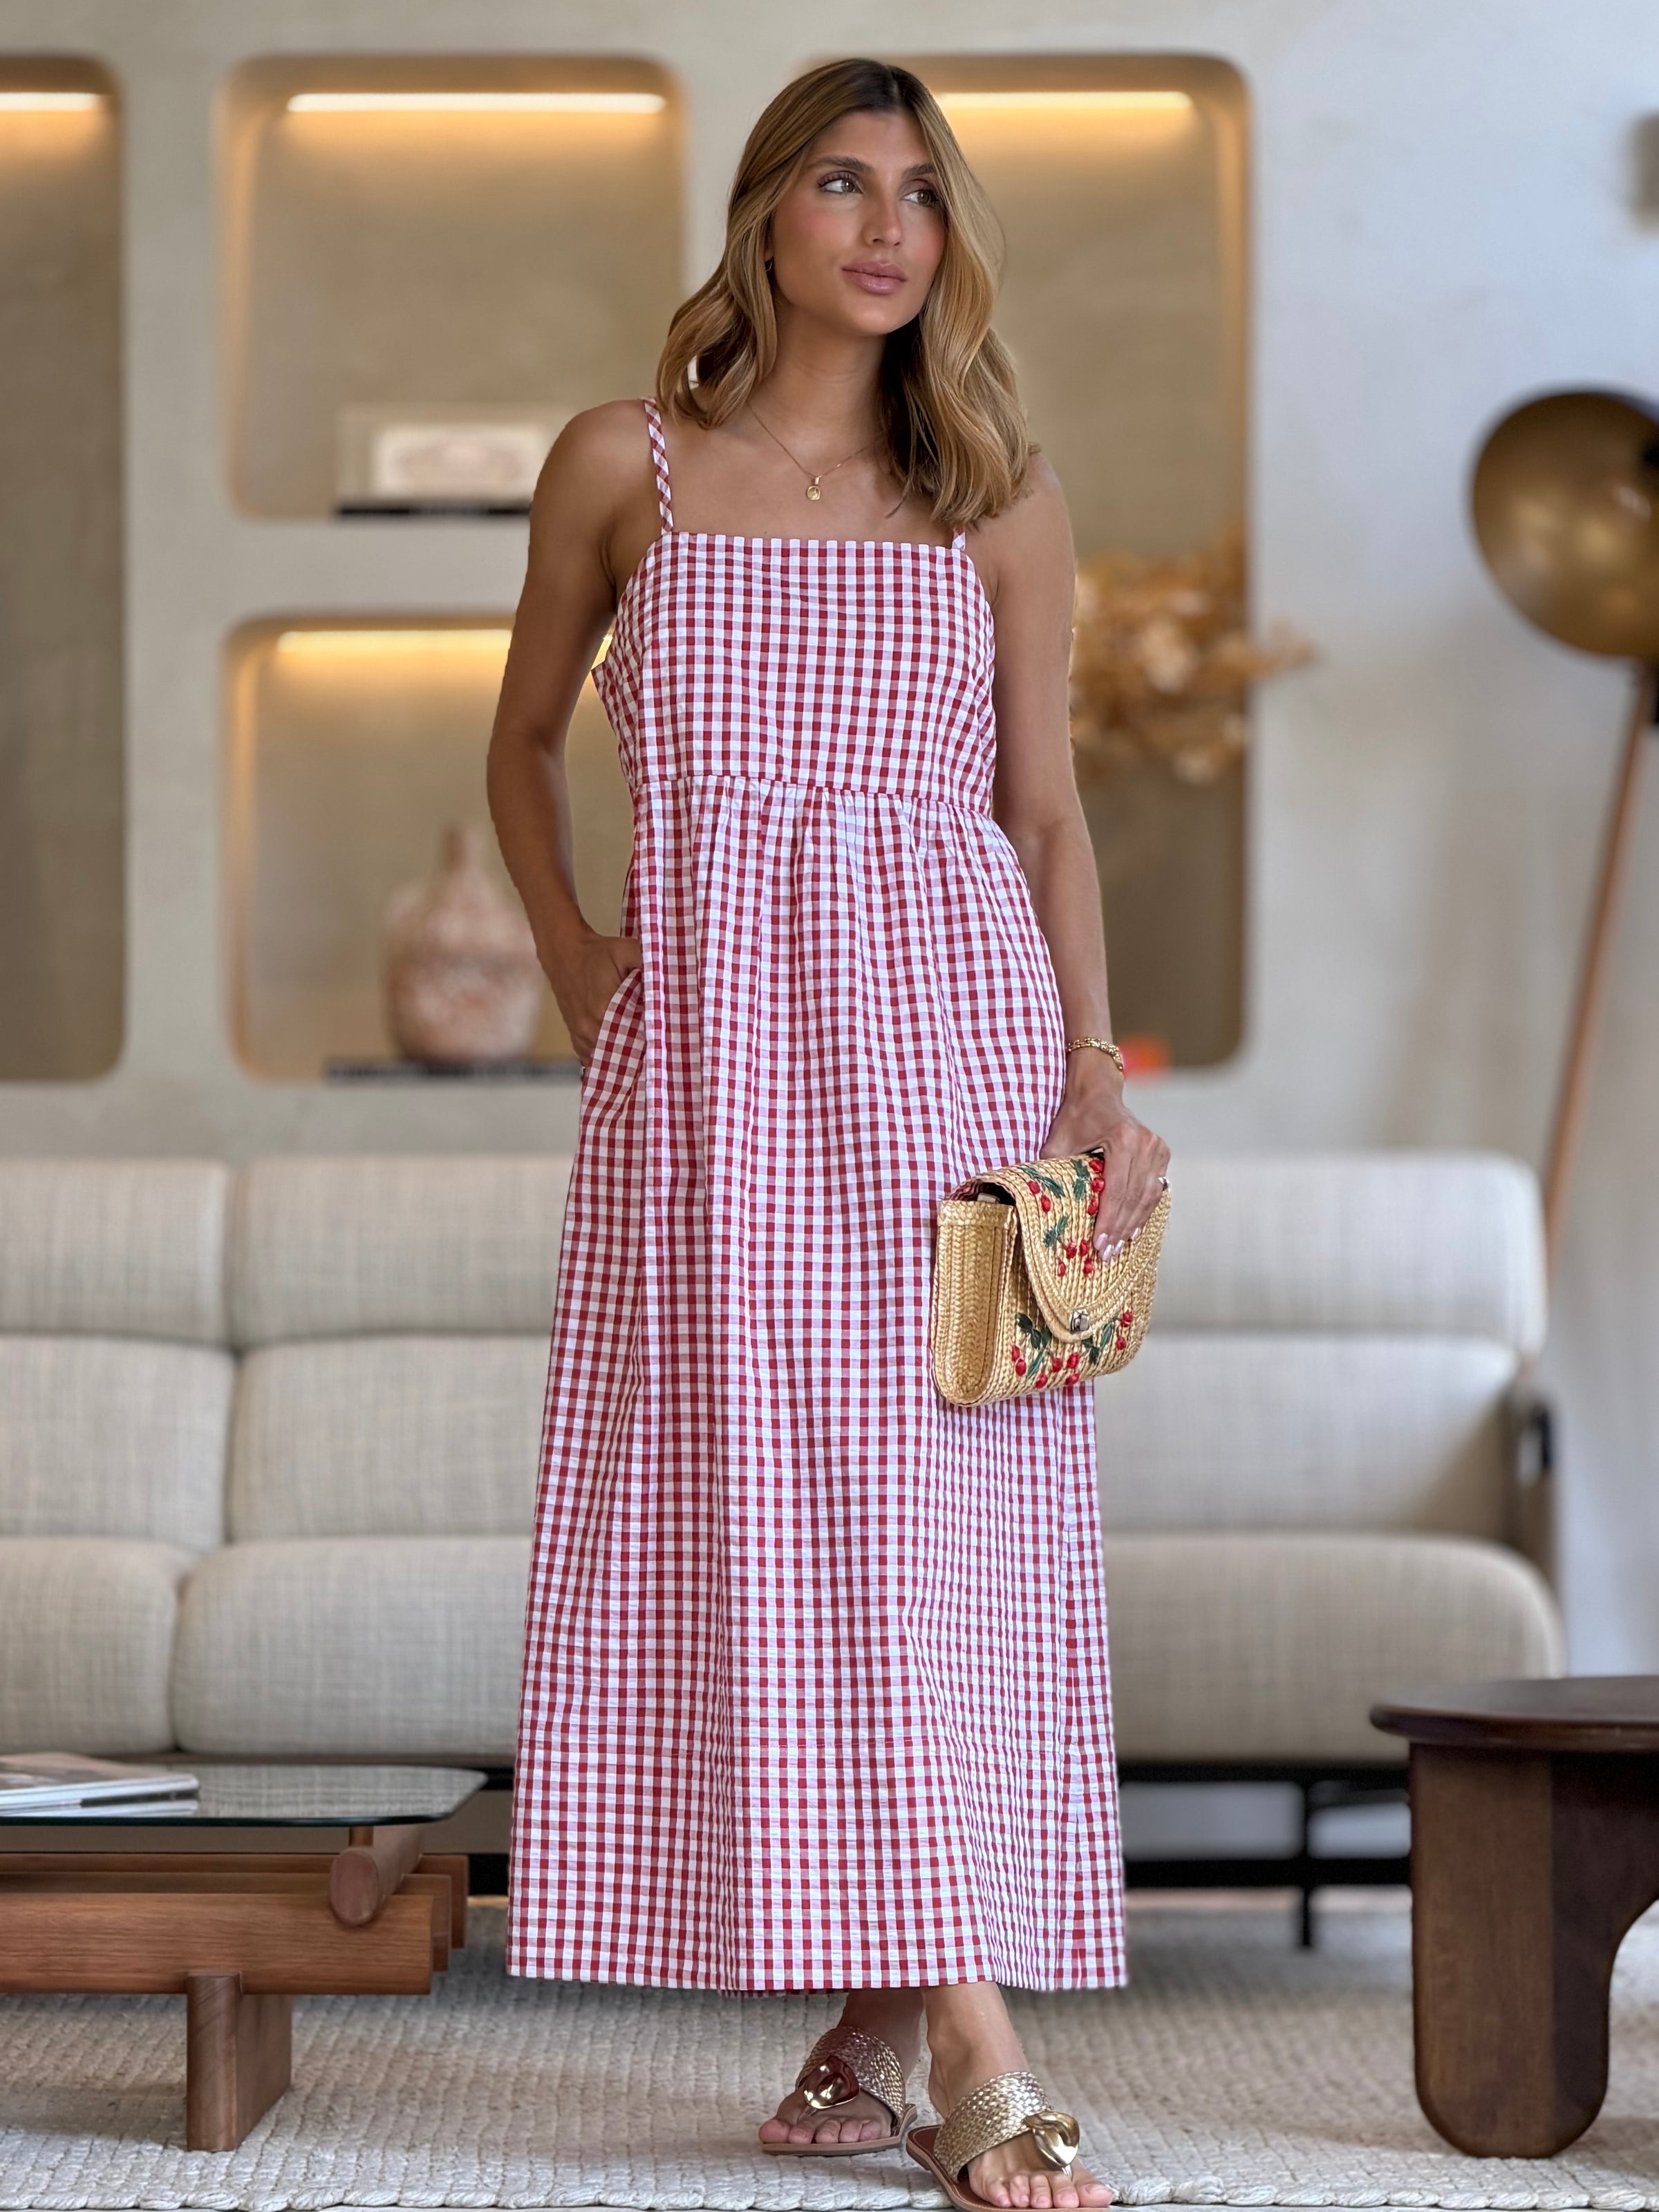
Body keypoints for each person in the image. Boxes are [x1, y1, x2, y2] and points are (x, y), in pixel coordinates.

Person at [486, 55, 1170, 2212]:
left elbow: (1042, 817)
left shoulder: (1001, 497)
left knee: (935, 1530)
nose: (890, 229)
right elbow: (519, 745)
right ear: (768, 212)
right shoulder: (626, 468)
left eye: (924, 194)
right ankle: (944, 2029)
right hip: (713, 1077)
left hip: (951, 1063)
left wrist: (1092, 1072)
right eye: (846, 184)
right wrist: (581, 965)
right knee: (796, 1513)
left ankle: (927, 2028)